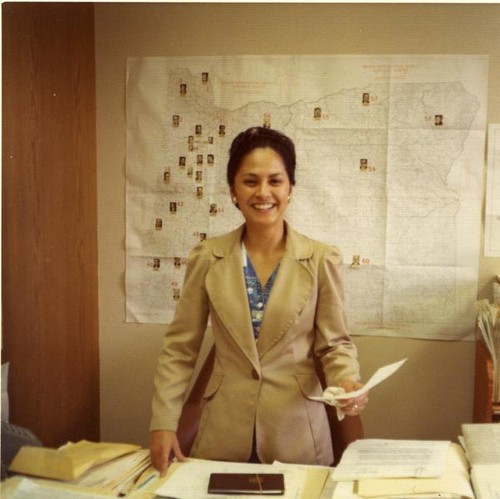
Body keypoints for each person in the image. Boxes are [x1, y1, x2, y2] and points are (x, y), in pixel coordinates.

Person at [149, 126, 368, 475]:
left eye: (275, 181)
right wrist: (162, 423)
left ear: (290, 188)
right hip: (223, 432)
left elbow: (335, 345)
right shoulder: (207, 257)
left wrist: (347, 383)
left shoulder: (321, 258)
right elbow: (180, 349)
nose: (263, 192)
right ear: (233, 191)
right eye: (250, 181)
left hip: (298, 433)